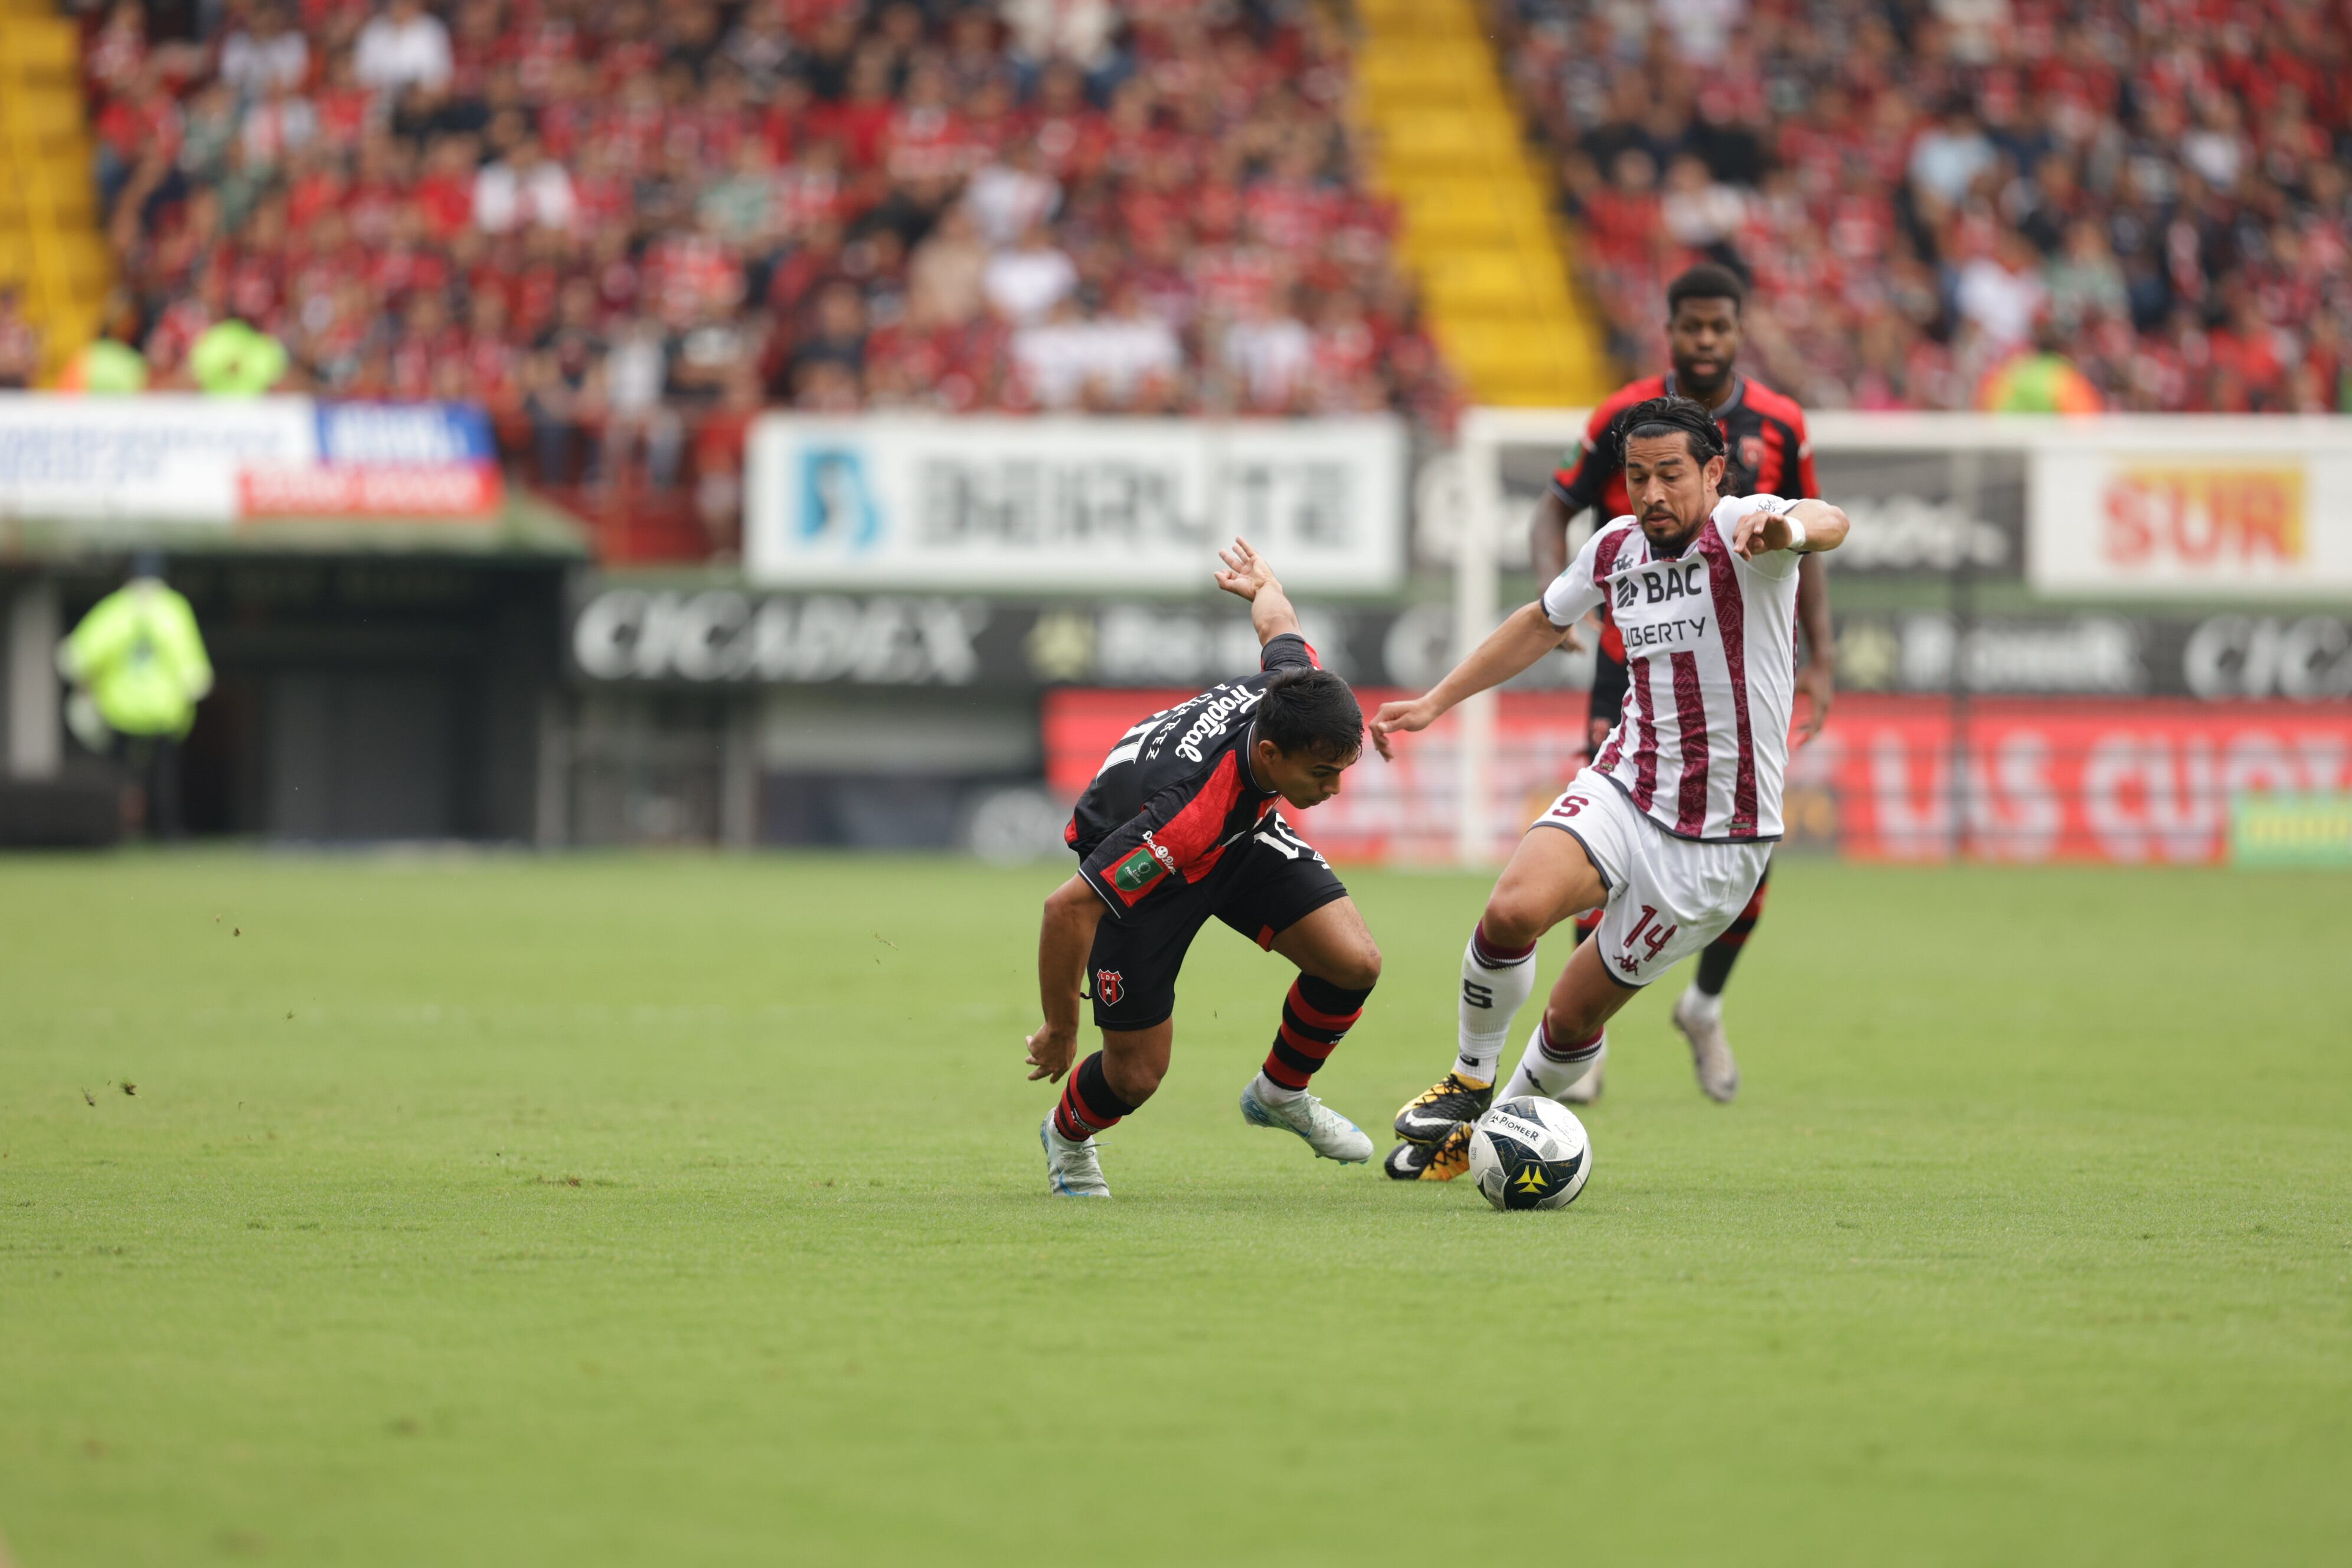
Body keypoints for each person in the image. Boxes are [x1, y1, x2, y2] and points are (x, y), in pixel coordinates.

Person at [1374, 397, 1848, 1181]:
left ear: (1713, 472)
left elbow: (1830, 519)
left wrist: (1790, 531)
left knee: (1571, 1016)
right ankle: (1468, 1079)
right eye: (1637, 477)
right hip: (1626, 785)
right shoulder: (1614, 548)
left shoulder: (1747, 530)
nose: (1653, 494)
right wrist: (1434, 702)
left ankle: (1486, 1136)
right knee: (1510, 911)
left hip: (1720, 847)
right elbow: (1537, 621)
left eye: (1670, 475)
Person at [1530, 262, 1834, 1103]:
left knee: (1746, 848)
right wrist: (1560, 606)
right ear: (1670, 330)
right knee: (1603, 843)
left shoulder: (1781, 423)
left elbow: (1806, 536)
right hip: (1628, 666)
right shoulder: (1620, 418)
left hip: (1741, 681)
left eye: (1720, 328)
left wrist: (1824, 660)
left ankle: (1703, 1007)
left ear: (1740, 330)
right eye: (1691, 328)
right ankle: (1579, 1036)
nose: (1705, 341)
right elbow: (1552, 509)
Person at [1024, 539, 1383, 1198]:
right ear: (1272, 756)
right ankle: (1068, 1136)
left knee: (1354, 962)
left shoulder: (1291, 689)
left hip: (1236, 839)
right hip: (1152, 868)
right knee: (1136, 1075)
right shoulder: (1185, 816)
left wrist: (1263, 583)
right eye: (1323, 773)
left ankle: (1279, 1093)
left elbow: (1281, 627)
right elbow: (1066, 908)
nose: (1334, 788)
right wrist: (1060, 1027)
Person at [57, 554, 214, 839]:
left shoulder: (116, 609)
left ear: (129, 577)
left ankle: (116, 833)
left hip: (120, 711)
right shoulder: (174, 609)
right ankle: (168, 834)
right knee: (164, 778)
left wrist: (87, 688)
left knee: (118, 777)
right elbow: (195, 673)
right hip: (165, 713)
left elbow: (74, 658)